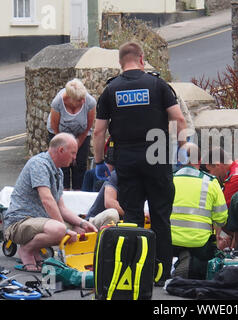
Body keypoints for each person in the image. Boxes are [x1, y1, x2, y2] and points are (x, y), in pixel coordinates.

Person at [93, 41, 187, 284]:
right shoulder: (158, 85)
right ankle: (163, 273)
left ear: (121, 62)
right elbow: (178, 118)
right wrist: (181, 150)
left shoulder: (110, 90)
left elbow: (99, 132)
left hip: (126, 161)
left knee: (132, 217)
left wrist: (99, 162)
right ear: (142, 59)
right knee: (160, 216)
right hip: (157, 158)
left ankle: (135, 271)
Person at [3, 133, 97, 272]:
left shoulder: (58, 172)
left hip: (39, 222)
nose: (74, 158)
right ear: (61, 150)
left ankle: (36, 251)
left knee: (80, 231)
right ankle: (27, 250)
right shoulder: (38, 164)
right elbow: (47, 200)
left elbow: (61, 208)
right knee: (59, 230)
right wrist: (64, 230)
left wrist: (82, 223)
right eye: (73, 153)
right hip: (19, 222)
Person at [171, 143, 228, 279]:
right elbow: (221, 218)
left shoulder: (169, 179)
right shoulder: (210, 182)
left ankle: (177, 262)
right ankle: (191, 265)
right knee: (204, 264)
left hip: (171, 241)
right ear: (200, 161)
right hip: (199, 243)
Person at [47, 78, 96, 190]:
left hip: (81, 134)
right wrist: (65, 148)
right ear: (70, 98)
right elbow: (55, 129)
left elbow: (87, 127)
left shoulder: (90, 102)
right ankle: (63, 191)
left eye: (83, 98)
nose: (82, 102)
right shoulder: (57, 102)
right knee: (62, 164)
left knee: (79, 164)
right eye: (79, 100)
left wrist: (76, 147)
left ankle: (78, 192)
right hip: (59, 134)